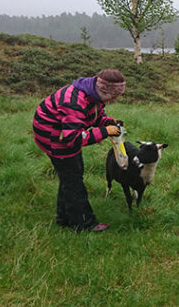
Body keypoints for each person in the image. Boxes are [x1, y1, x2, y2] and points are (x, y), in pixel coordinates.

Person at [32, 68, 126, 232]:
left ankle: (64, 218)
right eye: (113, 96)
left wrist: (106, 122)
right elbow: (73, 139)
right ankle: (84, 224)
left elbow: (94, 114)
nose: (114, 100)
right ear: (103, 90)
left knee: (69, 177)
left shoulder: (93, 93)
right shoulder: (74, 102)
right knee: (74, 181)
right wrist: (105, 132)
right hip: (55, 139)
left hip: (61, 134)